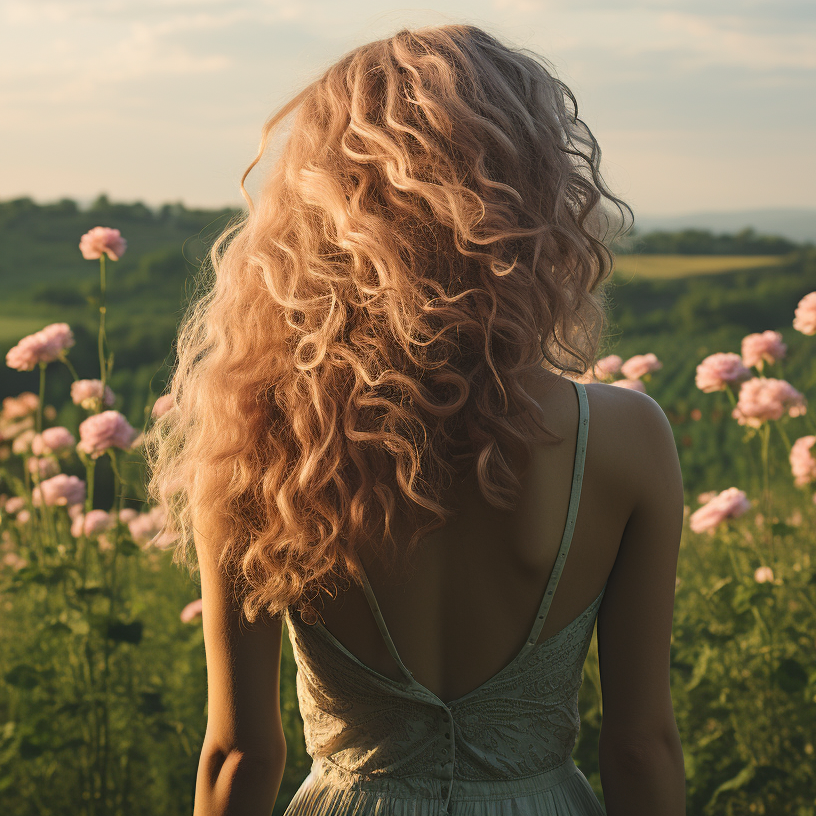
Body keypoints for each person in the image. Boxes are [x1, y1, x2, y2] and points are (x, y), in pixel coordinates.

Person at [148, 24, 685, 816]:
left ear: (320, 212)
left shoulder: (256, 440)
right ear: (535, 193)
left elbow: (238, 754)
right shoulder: (626, 438)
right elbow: (640, 746)